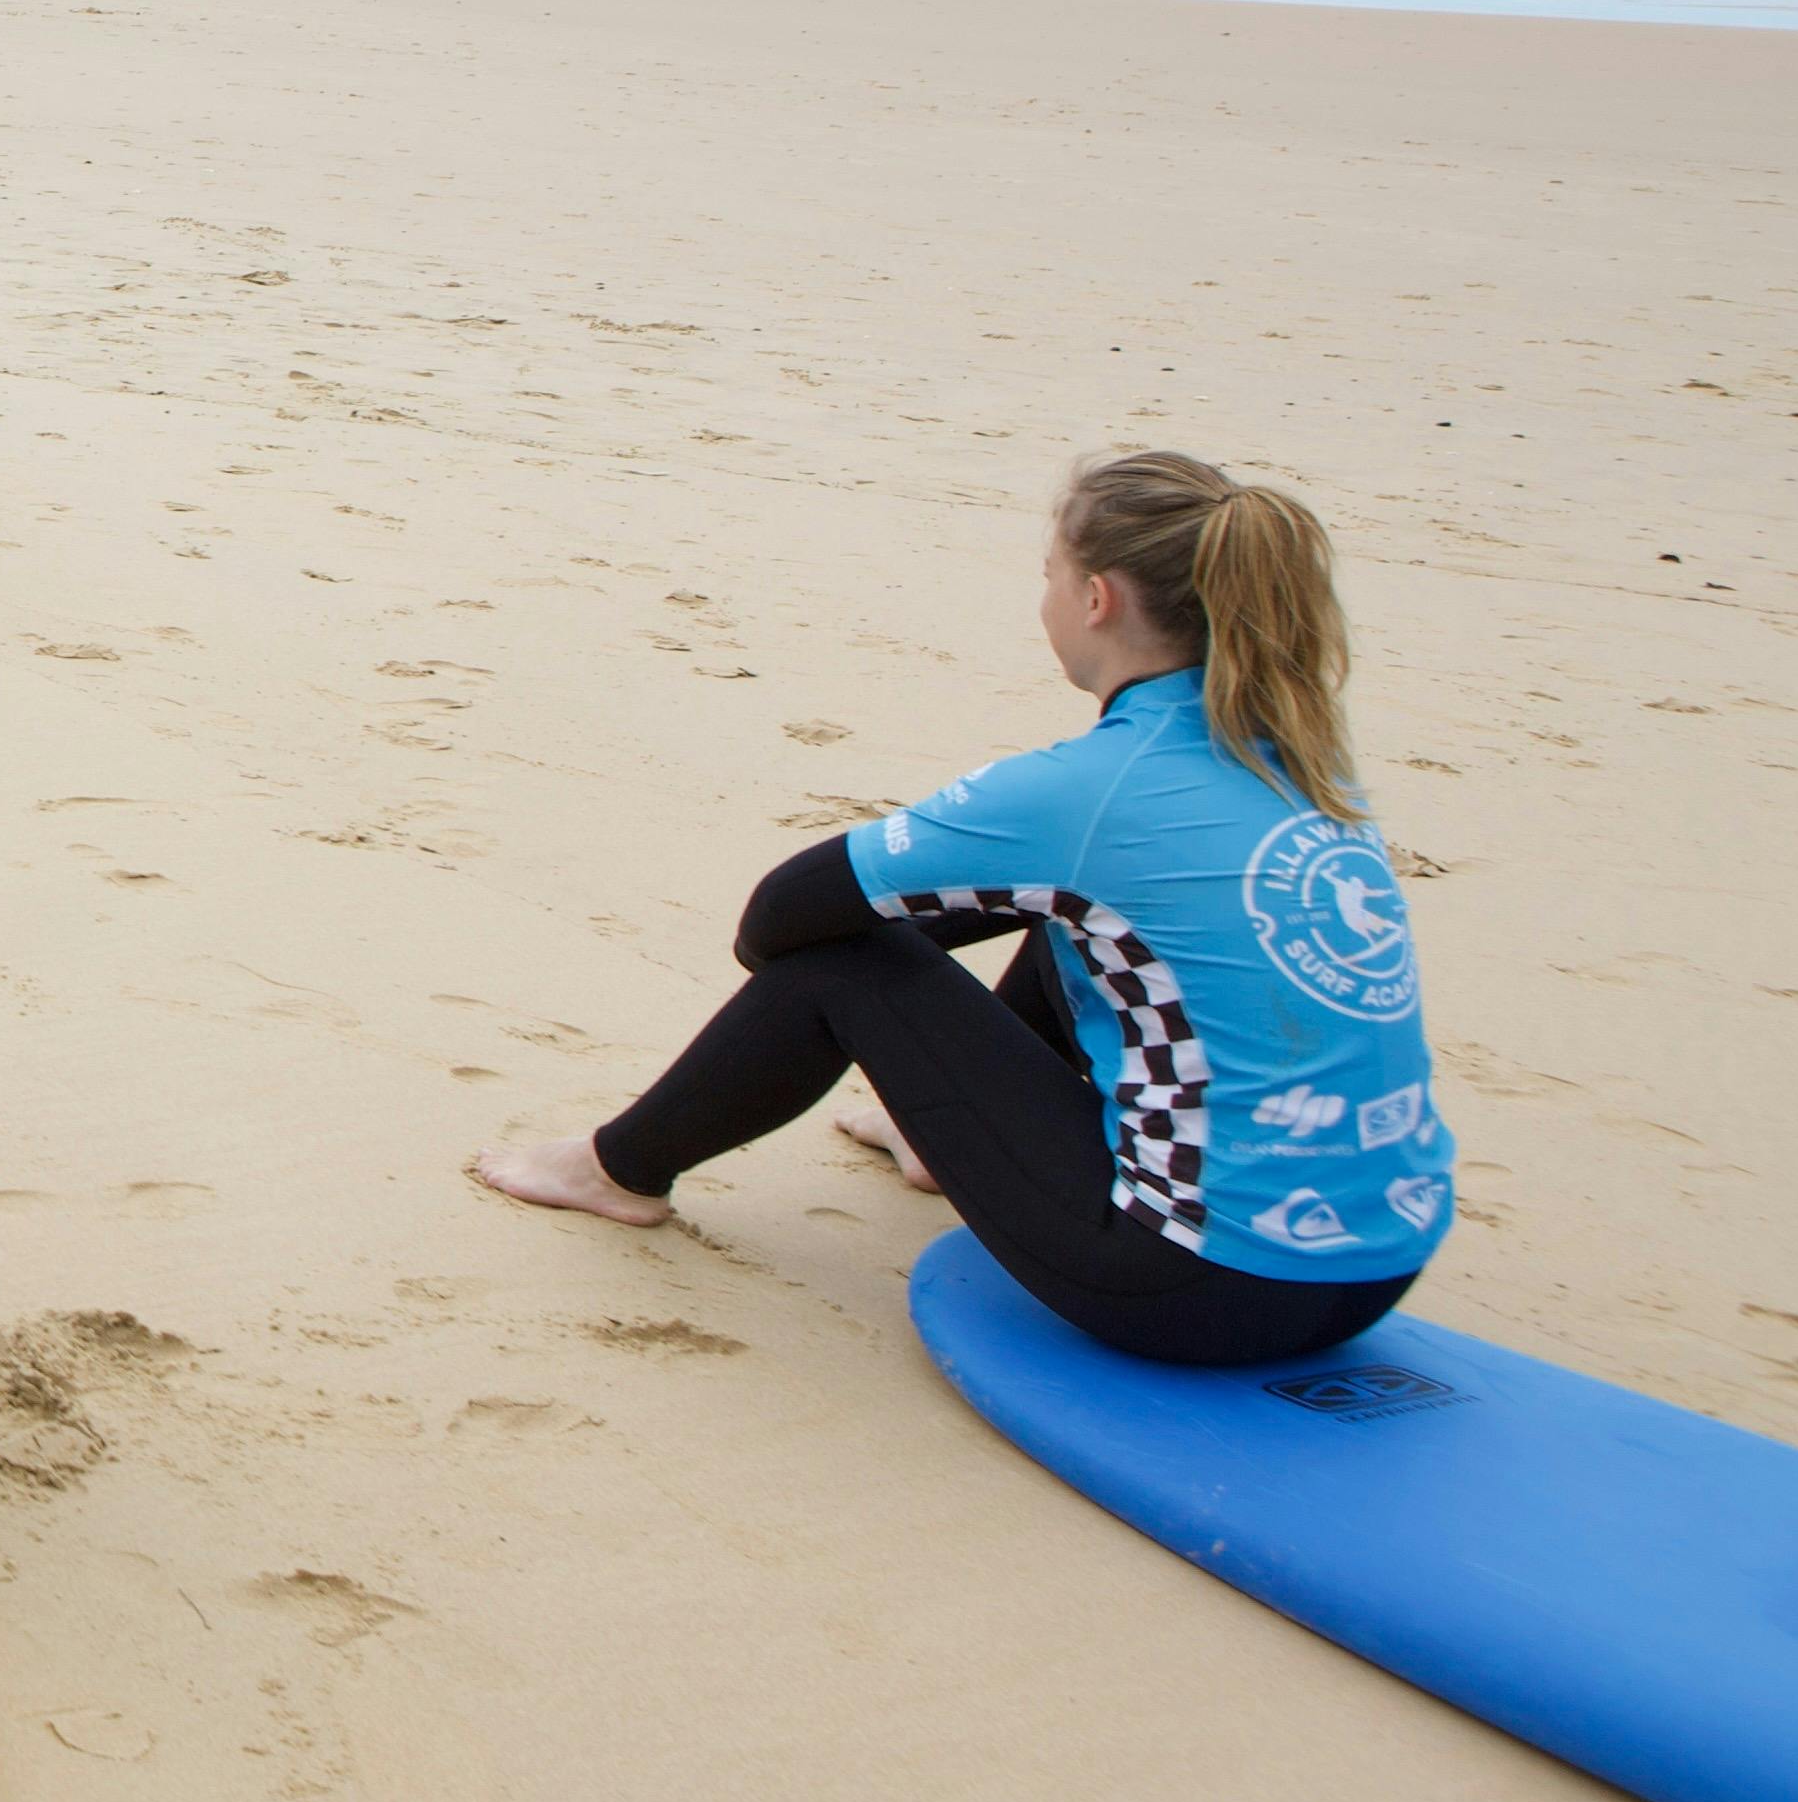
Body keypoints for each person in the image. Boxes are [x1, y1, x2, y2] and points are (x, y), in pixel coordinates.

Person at [477, 451, 1453, 1367]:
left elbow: (776, 920)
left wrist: (905, 965)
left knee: (842, 966)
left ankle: (618, 1171)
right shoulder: (1304, 759)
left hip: (1195, 1290)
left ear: (1096, 598)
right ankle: (930, 1136)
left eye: (1050, 575)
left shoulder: (1089, 791)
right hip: (1377, 1268)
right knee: (1083, 915)